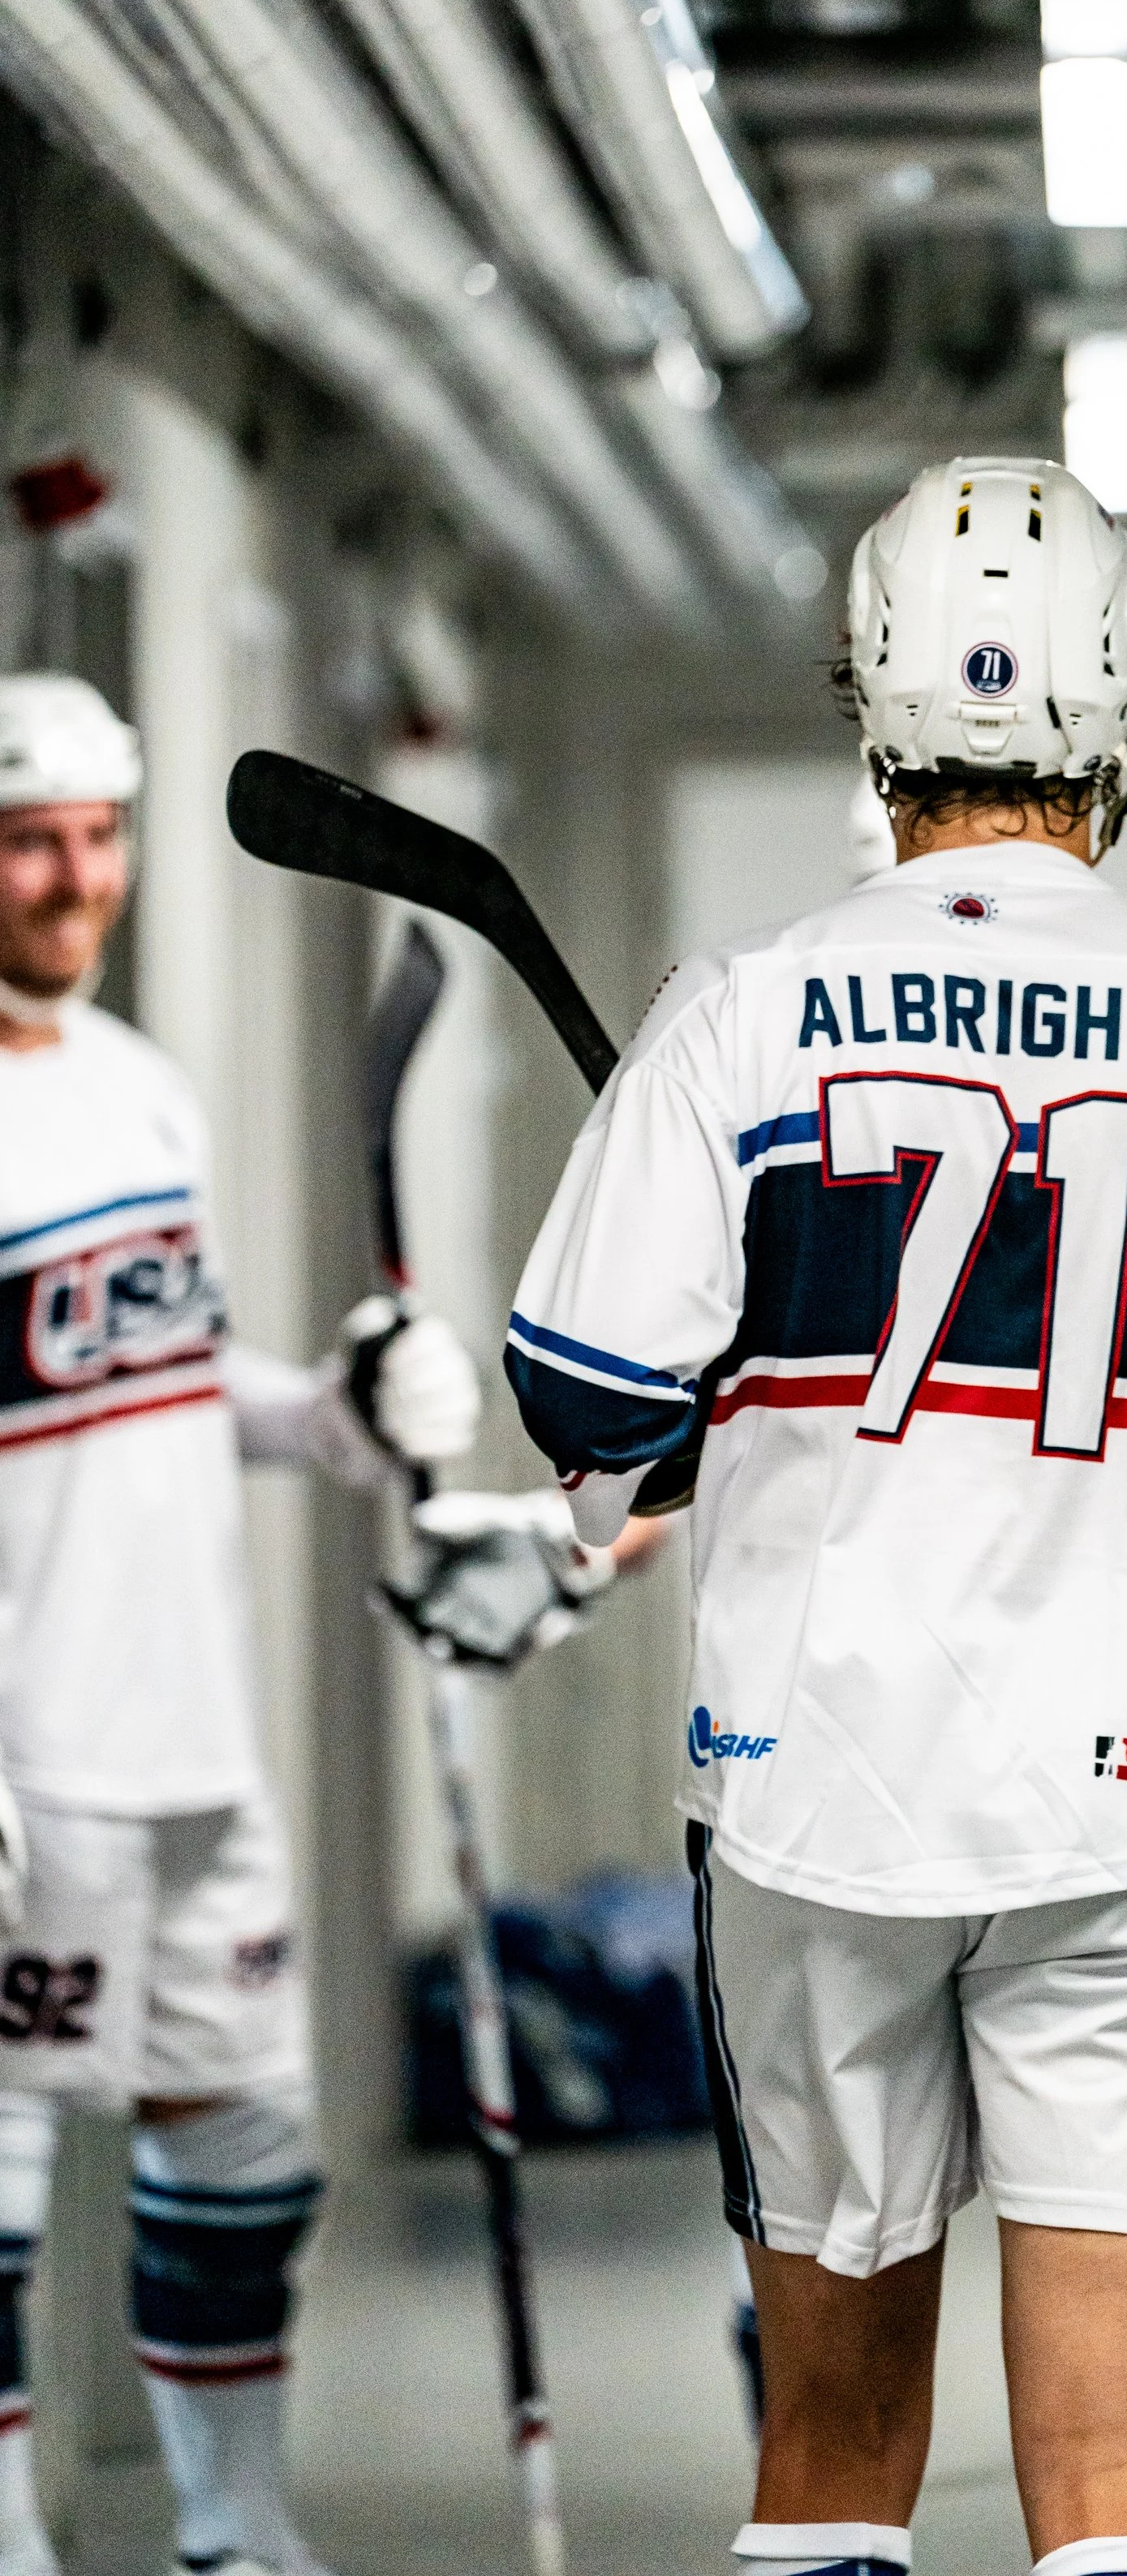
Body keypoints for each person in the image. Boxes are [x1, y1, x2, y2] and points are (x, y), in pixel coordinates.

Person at [504, 456, 1127, 2576]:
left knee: (831, 2451)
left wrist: (717, 1432)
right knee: (1120, 2481)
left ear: (864, 689)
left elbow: (579, 1393)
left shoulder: (737, 1009)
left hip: (807, 1801)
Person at [0, 675, 483, 2576]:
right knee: (13, 2180)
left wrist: (339, 1415)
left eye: (100, 836)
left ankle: (235, 2526)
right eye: (34, 843)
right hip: (35, 1759)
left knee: (245, 2143)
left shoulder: (137, 1084)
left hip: (198, 1729)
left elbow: (170, 1381)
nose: (74, 880)